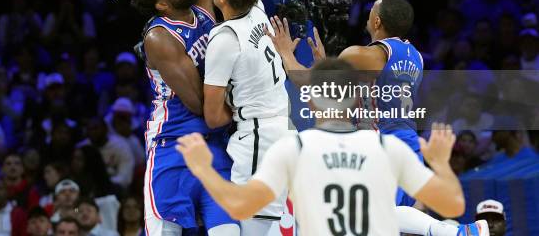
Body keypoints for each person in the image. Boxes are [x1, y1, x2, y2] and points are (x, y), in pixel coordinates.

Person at [129, 0, 308, 236]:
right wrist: (248, 110)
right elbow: (199, 103)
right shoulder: (160, 37)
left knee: (230, 229)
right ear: (162, 3)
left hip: (218, 140)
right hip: (174, 144)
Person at [267, 0, 489, 236]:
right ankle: (457, 232)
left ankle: (456, 232)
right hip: (408, 140)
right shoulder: (415, 56)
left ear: (377, 22)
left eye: (373, 7)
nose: (368, 10)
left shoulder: (361, 54)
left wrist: (286, 53)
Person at [176, 58, 466, 235]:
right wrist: (440, 164)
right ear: (355, 101)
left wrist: (203, 169)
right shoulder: (387, 148)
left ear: (311, 101)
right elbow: (453, 204)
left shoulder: (291, 149)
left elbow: (239, 204)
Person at [202, 0, 292, 235]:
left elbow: (213, 117)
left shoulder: (225, 38)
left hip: (258, 137)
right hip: (282, 127)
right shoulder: (258, 8)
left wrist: (242, 111)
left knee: (256, 227)